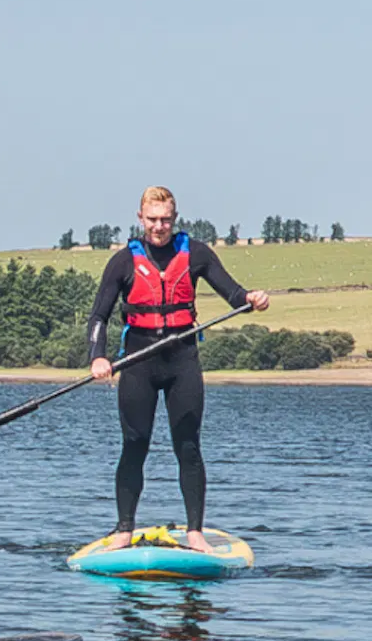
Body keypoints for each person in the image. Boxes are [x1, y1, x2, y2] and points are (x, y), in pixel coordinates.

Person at [85, 185, 270, 544]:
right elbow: (98, 317)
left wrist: (251, 298)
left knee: (187, 446)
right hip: (138, 364)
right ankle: (124, 529)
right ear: (140, 218)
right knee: (134, 443)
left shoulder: (197, 254)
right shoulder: (123, 261)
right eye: (152, 219)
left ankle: (195, 532)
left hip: (182, 363)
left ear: (175, 218)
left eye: (165, 219)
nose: (159, 226)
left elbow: (233, 294)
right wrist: (98, 357)